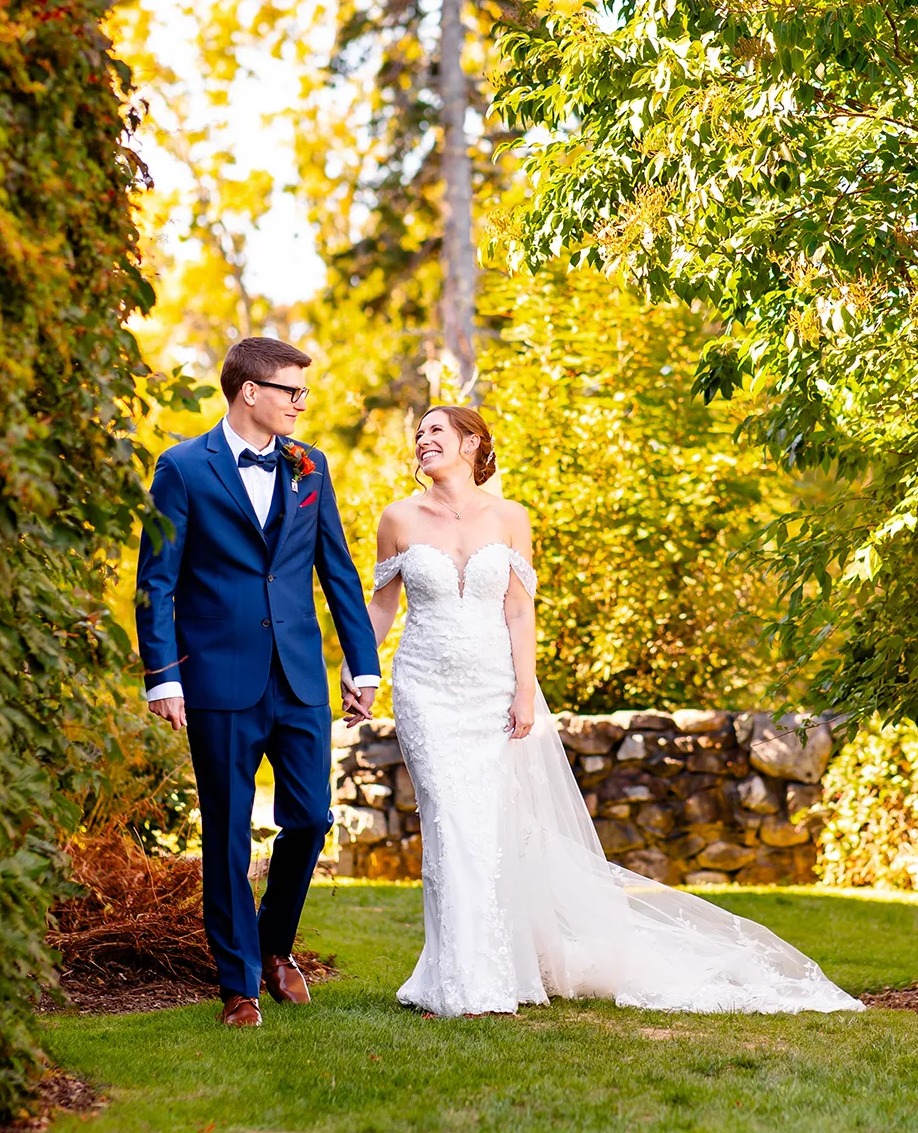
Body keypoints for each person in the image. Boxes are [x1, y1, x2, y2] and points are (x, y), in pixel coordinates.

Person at [365, 405, 864, 1017]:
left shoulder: (512, 518)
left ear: (472, 443)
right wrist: (359, 671)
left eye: (436, 431)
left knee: (488, 825)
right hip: (426, 689)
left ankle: (486, 968)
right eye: (419, 434)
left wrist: (526, 690)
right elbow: (383, 607)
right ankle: (461, 979)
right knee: (450, 823)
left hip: (494, 687)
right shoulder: (398, 518)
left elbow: (520, 612)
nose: (422, 441)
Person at [136, 337, 381, 1028]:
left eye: (305, 392)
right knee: (226, 834)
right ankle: (238, 986)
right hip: (215, 680)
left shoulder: (311, 468)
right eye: (291, 391)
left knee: (310, 818)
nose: (302, 404)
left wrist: (361, 665)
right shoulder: (183, 469)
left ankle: (275, 946)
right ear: (250, 391)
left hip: (299, 676)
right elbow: (156, 581)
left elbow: (337, 570)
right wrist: (163, 680)